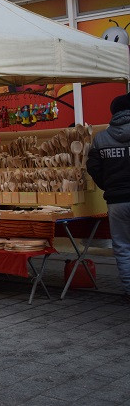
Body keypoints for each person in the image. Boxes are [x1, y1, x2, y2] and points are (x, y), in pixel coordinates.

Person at [86, 93, 130, 303]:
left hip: (116, 201)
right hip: (117, 196)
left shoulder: (102, 138)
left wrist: (109, 186)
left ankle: (129, 289)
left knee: (122, 246)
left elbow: (93, 167)